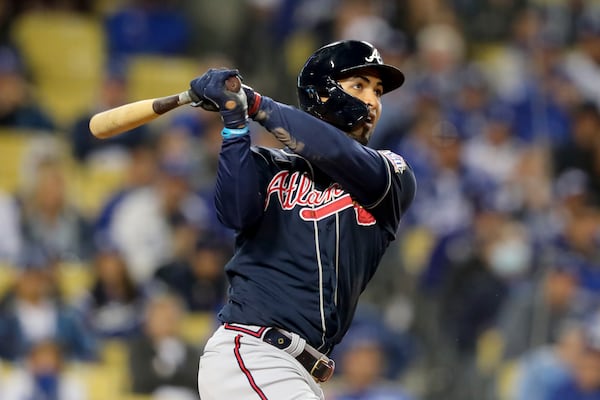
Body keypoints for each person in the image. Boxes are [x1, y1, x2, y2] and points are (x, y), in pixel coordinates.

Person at [188, 40, 416, 399]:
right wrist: (234, 121)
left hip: (302, 369)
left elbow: (335, 150)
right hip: (252, 353)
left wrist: (255, 103)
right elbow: (233, 212)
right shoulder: (268, 165)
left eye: (378, 91)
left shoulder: (391, 174)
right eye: (359, 86)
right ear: (321, 94)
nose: (372, 101)